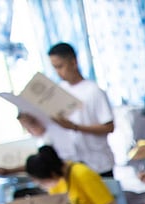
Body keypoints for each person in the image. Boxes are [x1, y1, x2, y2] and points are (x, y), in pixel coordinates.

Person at [45, 42, 115, 177]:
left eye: (60, 66)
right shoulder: (59, 90)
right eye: (54, 68)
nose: (58, 72)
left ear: (73, 62)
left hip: (98, 163)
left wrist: (75, 127)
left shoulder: (93, 91)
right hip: (73, 162)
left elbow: (109, 127)